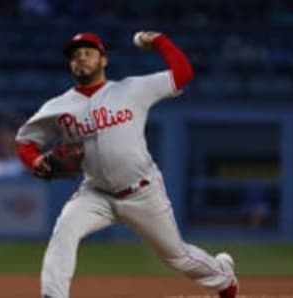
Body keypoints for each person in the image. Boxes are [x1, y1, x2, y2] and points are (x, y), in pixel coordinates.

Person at [15, 31, 238, 298]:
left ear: (104, 60)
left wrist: (159, 41)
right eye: (75, 56)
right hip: (95, 193)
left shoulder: (131, 89)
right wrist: (36, 160)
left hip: (142, 191)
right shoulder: (59, 106)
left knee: (176, 256)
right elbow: (25, 141)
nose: (81, 59)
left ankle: (223, 275)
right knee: (64, 231)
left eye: (88, 53)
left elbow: (183, 73)